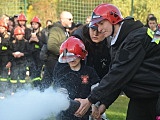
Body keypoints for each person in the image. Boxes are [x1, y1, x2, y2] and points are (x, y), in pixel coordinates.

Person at [74, 3, 160, 120]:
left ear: (113, 19)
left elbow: (119, 74)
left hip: (155, 97)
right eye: (96, 25)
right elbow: (119, 76)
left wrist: (90, 100)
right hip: (143, 97)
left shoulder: (135, 39)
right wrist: (104, 104)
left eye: (101, 23)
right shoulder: (120, 41)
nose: (99, 29)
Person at [53, 36, 100, 120]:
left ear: (81, 55)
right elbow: (60, 90)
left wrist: (94, 104)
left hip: (84, 113)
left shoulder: (89, 71)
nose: (71, 59)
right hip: (65, 115)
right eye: (68, 57)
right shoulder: (62, 72)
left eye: (74, 56)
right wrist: (67, 103)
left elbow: (96, 88)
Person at [40, 11, 73, 90]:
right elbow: (51, 45)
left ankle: (40, 96)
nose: (71, 21)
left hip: (55, 60)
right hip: (54, 60)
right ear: (62, 20)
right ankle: (56, 98)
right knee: (59, 81)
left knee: (46, 82)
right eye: (69, 19)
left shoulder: (63, 30)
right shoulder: (56, 30)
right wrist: (64, 54)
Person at [10, 26, 30, 92]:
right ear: (15, 35)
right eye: (17, 35)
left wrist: (22, 54)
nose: (19, 36)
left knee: (22, 77)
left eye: (20, 34)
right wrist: (13, 54)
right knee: (13, 78)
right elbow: (9, 51)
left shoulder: (26, 43)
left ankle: (21, 90)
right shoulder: (12, 43)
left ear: (23, 35)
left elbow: (29, 52)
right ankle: (13, 91)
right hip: (14, 63)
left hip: (23, 63)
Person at [29, 16, 45, 88]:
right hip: (31, 56)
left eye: (35, 24)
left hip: (39, 56)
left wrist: (37, 41)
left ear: (39, 25)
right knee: (32, 72)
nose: (34, 25)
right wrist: (30, 40)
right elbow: (25, 45)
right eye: (33, 24)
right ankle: (35, 87)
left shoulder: (42, 34)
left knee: (38, 72)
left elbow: (44, 46)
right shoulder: (28, 33)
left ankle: (39, 87)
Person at [0, 20, 11, 96]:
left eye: (2, 28)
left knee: (4, 76)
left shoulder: (8, 38)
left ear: (5, 29)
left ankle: (4, 91)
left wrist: (10, 61)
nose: (0, 29)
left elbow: (10, 50)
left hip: (5, 60)